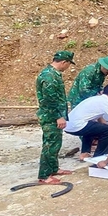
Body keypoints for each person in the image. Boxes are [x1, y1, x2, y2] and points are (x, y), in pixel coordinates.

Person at [64, 83, 108, 160]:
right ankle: (100, 156)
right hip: (76, 126)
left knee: (94, 127)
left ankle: (84, 153)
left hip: (68, 125)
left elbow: (100, 119)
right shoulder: (107, 102)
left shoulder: (96, 99)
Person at [35, 50, 75, 185]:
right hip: (51, 116)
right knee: (50, 144)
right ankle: (44, 175)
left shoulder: (52, 74)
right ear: (64, 62)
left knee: (55, 143)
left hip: (52, 114)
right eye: (68, 64)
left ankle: (53, 168)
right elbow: (49, 99)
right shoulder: (50, 76)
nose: (68, 67)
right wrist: (58, 117)